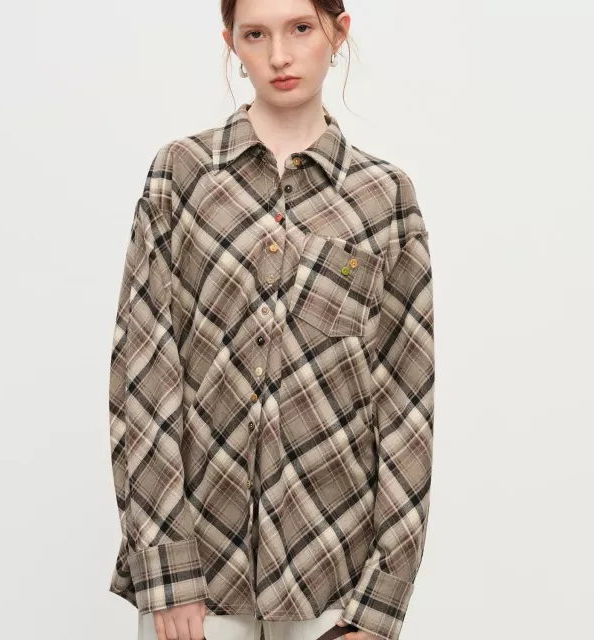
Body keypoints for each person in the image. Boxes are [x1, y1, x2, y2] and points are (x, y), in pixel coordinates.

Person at [107, 1, 435, 639]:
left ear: (338, 32)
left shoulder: (385, 198)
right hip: (198, 582)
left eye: (300, 28)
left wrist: (379, 604)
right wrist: (166, 568)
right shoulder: (182, 176)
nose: (279, 55)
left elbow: (407, 404)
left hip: (335, 580)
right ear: (231, 42)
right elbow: (143, 373)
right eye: (255, 34)